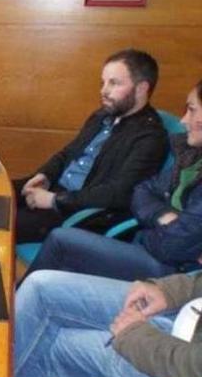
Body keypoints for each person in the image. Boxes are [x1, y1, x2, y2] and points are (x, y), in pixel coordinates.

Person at [25, 81, 202, 281]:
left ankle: (15, 307)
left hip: (178, 273)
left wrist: (154, 229)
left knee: (60, 242)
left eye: (192, 110)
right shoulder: (191, 156)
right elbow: (143, 191)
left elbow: (172, 247)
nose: (184, 120)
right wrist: (162, 216)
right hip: (154, 244)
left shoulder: (151, 135)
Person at [14, 49, 168, 244]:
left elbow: (119, 194)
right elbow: (68, 153)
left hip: (77, 212)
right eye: (103, 82)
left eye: (114, 83)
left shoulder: (150, 137)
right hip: (55, 188)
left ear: (141, 88)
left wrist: (54, 200)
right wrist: (45, 175)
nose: (104, 90)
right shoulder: (101, 116)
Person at [14, 269, 202, 377]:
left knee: (47, 345)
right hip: (188, 318)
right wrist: (169, 291)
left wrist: (136, 337)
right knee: (41, 286)